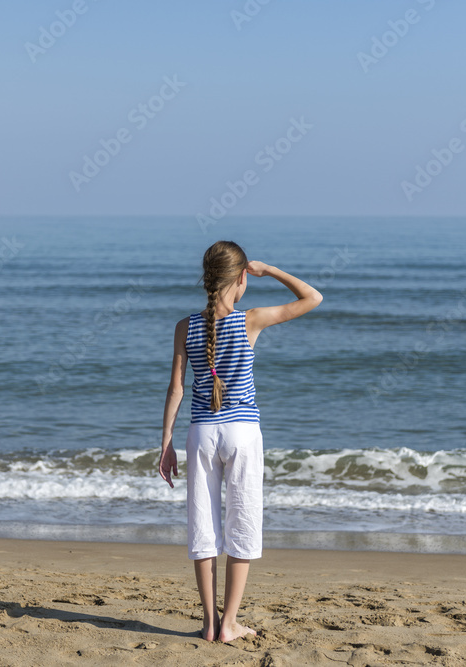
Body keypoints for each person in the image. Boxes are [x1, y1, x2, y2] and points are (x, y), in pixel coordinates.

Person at [158, 240, 323, 643]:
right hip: (242, 433)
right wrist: (272, 270)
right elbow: (312, 298)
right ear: (241, 278)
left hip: (201, 433)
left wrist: (166, 443)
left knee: (203, 528)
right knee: (242, 525)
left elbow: (176, 389)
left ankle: (209, 623)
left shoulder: (186, 326)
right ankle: (229, 622)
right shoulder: (251, 320)